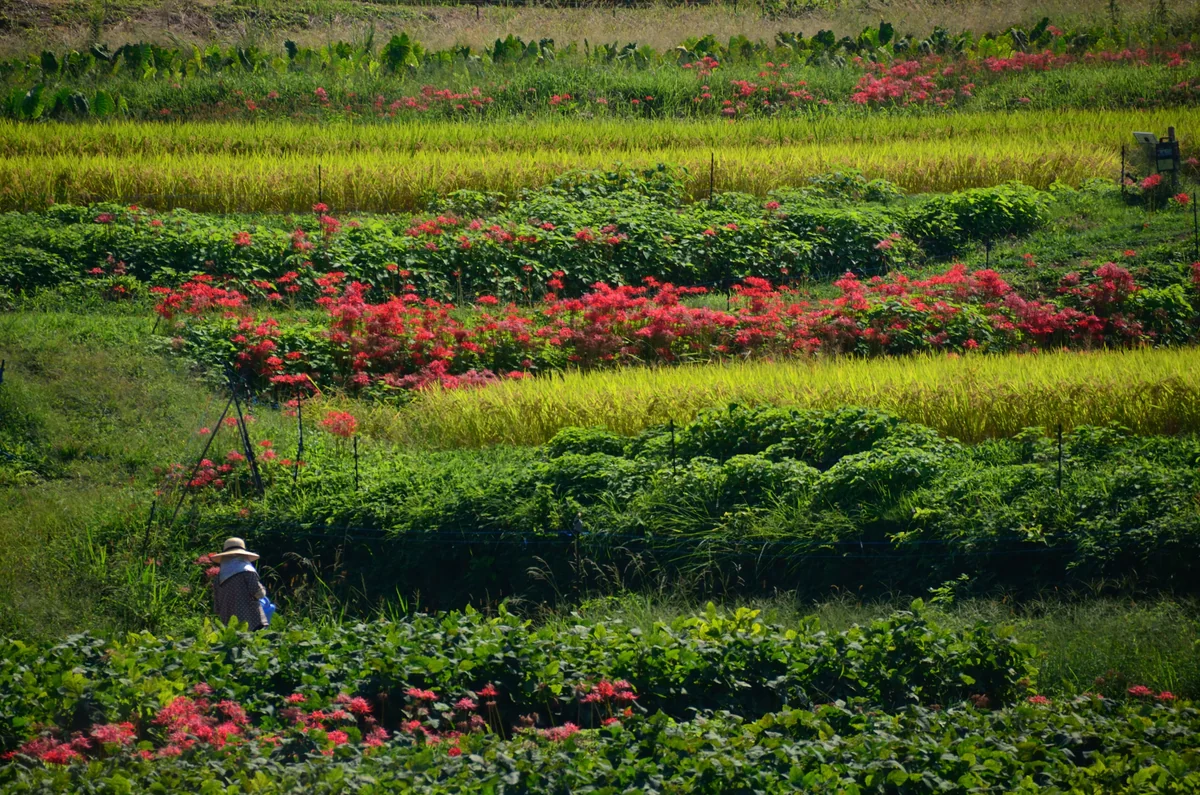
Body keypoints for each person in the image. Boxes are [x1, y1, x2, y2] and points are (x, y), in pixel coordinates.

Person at [210, 537, 269, 631]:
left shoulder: (218, 578)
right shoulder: (247, 572)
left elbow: (217, 607)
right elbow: (258, 593)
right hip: (251, 620)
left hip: (228, 623)